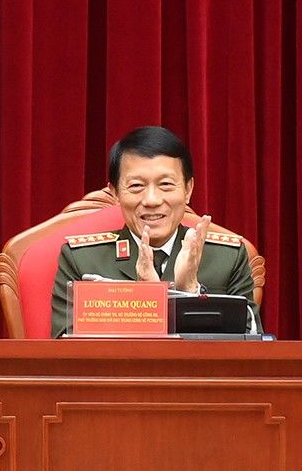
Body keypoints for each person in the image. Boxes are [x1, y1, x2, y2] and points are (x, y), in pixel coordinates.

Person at [49, 125, 258, 338]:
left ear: (188, 190)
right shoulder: (82, 260)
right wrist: (145, 303)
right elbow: (66, 351)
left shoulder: (227, 258)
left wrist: (188, 293)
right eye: (136, 186)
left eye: (165, 184)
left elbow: (250, 347)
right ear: (115, 193)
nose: (152, 200)